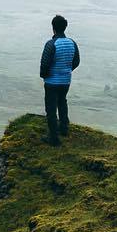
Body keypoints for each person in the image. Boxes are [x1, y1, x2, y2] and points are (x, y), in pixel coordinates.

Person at [39, 14, 80, 145]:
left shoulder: (51, 44)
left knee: (51, 109)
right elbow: (76, 61)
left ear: (53, 28)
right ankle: (64, 129)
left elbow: (44, 64)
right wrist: (67, 70)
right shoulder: (72, 43)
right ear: (65, 27)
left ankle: (53, 138)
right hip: (66, 81)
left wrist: (45, 75)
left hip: (52, 82)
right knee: (62, 103)